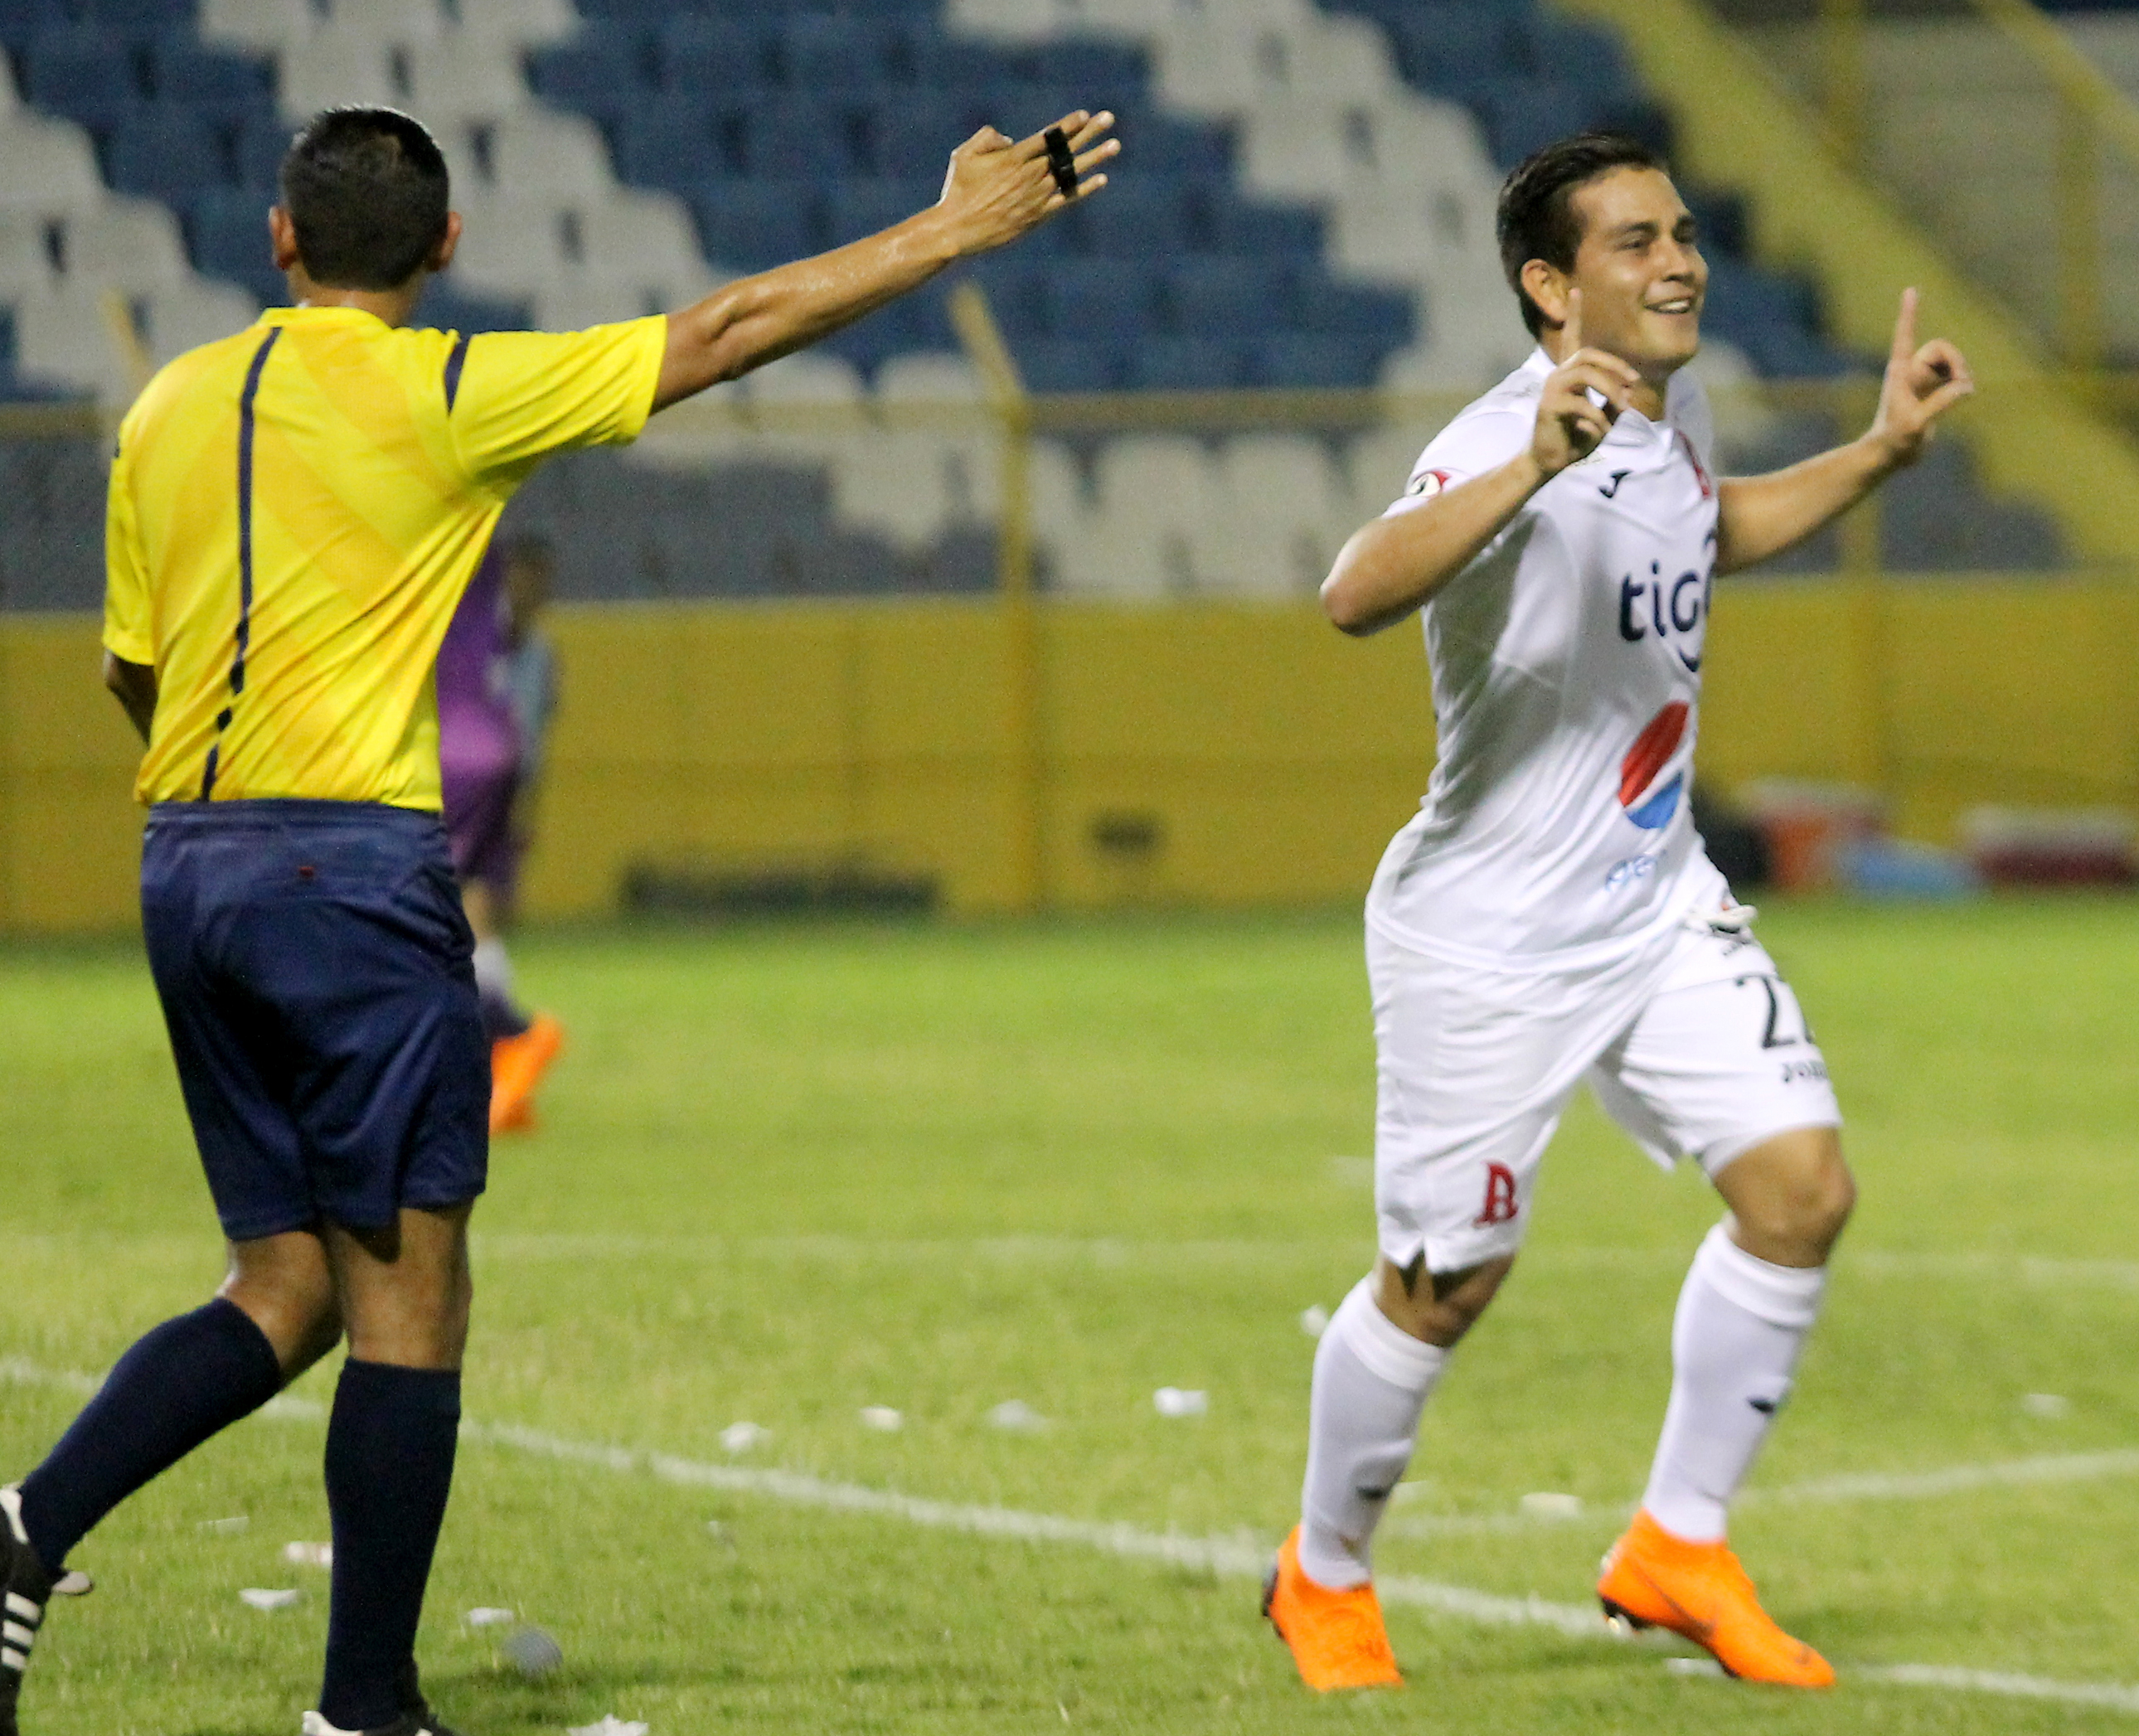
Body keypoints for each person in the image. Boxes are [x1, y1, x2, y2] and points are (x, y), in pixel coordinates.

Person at [0, 101, 1117, 1736]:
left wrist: (231, 826)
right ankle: (363, 1707)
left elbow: (129, 668)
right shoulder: (449, 386)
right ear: (446, 246)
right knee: (412, 1298)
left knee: (288, 1284)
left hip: (187, 859)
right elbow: (724, 331)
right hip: (348, 873)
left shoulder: (165, 400)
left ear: (281, 239)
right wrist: (952, 229)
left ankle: (24, 1527)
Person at [1260, 132, 1972, 1694]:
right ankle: (1323, 1571)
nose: (1681, 263)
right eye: (1637, 241)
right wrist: (1532, 464)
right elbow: (1354, 591)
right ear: (1549, 284)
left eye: (1685, 234)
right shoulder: (1504, 435)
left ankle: (1677, 1545)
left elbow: (1711, 531)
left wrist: (1878, 453)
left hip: (1654, 907)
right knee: (1446, 1282)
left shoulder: (1672, 407)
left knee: (1801, 1190)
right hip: (1488, 936)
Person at [434, 533, 560, 1131]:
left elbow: (534, 736)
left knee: (462, 909)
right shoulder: (490, 633)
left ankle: (507, 1034)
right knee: (476, 911)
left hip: (479, 779)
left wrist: (526, 811)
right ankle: (503, 1060)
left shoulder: (535, 654)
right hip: (481, 776)